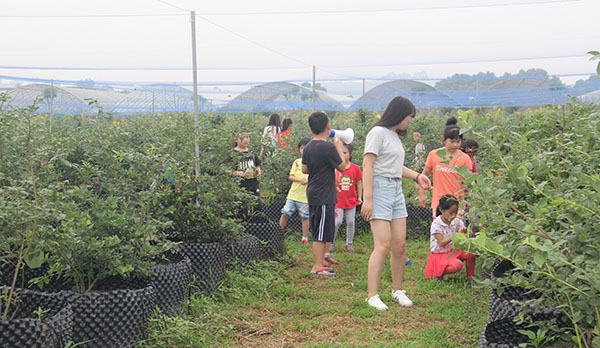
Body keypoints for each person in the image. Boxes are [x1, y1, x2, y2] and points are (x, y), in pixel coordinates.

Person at [361, 96, 432, 310]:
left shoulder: (394, 136)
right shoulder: (377, 133)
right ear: (399, 114)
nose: (410, 121)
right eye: (409, 116)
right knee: (382, 245)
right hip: (380, 188)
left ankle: (397, 290)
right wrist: (369, 198)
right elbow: (368, 165)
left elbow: (395, 167)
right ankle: (372, 295)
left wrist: (418, 176)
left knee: (399, 245)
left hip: (395, 189)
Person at [302, 111, 348, 277]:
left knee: (321, 229)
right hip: (323, 195)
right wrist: (338, 147)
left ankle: (321, 263)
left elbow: (304, 169)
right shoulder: (328, 147)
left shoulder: (308, 147)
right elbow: (343, 167)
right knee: (320, 233)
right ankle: (316, 267)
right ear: (328, 127)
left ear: (310, 129)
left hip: (314, 192)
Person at [419, 117, 473, 216]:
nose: (455, 145)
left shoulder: (465, 158)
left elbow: (470, 180)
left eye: (458, 141)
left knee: (457, 230)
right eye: (452, 141)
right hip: (438, 203)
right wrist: (422, 193)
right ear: (443, 139)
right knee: (439, 229)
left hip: (458, 204)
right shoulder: (434, 155)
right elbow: (424, 175)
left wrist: (472, 198)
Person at [424, 194, 476, 281]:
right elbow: (441, 243)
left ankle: (470, 277)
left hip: (452, 251)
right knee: (457, 265)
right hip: (440, 254)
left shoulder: (455, 221)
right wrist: (455, 236)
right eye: (451, 213)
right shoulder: (437, 224)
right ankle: (438, 273)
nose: (454, 215)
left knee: (471, 254)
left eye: (455, 212)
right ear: (441, 210)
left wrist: (467, 232)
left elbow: (465, 232)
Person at [329, 143, 362, 253]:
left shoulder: (356, 168)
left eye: (345, 153)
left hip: (351, 201)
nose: (342, 155)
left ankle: (349, 243)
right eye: (340, 153)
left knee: (350, 221)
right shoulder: (336, 169)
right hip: (338, 201)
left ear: (351, 154)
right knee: (337, 222)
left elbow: (359, 182)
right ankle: (331, 243)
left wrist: (360, 197)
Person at [280, 138, 311, 245]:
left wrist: (308, 180)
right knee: (285, 213)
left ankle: (305, 238)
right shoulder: (297, 162)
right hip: (293, 194)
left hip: (305, 196)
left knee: (305, 217)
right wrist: (300, 180)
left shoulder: (314, 162)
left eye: (305, 148)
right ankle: (279, 234)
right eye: (301, 148)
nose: (303, 150)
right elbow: (291, 176)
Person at [227, 132, 262, 197]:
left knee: (258, 205)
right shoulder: (232, 154)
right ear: (236, 139)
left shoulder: (252, 152)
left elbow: (257, 165)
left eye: (247, 137)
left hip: (253, 186)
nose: (246, 140)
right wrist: (239, 174)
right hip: (239, 188)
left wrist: (258, 172)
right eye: (243, 137)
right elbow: (227, 170)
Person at [412, 131, 427, 206]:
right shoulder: (417, 146)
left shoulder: (420, 146)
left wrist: (417, 166)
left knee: (417, 180)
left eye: (417, 136)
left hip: (420, 166)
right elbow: (418, 156)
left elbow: (421, 157)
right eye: (414, 136)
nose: (415, 138)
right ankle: (421, 195)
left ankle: (422, 195)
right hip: (418, 164)